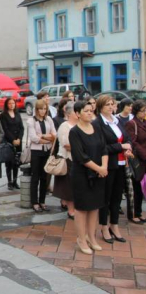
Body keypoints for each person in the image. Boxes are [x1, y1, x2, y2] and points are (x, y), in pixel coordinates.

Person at [69, 100, 108, 255]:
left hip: (99, 173)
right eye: (86, 111)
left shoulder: (97, 128)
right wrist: (99, 168)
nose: (90, 113)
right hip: (82, 175)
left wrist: (103, 167)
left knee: (95, 207)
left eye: (91, 110)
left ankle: (92, 238)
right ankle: (81, 239)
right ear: (78, 114)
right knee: (82, 208)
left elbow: (104, 148)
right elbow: (81, 157)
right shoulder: (74, 132)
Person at [93, 95, 132, 244]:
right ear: (101, 107)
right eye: (107, 104)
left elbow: (127, 138)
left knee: (117, 197)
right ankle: (103, 226)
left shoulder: (116, 121)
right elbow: (100, 147)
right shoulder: (98, 124)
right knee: (106, 198)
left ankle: (114, 225)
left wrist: (128, 148)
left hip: (122, 164)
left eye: (112, 104)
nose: (111, 107)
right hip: (108, 165)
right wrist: (120, 147)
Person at [28, 99, 56, 212]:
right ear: (36, 109)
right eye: (41, 109)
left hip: (47, 151)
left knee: (45, 177)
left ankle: (42, 201)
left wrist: (43, 136)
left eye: (45, 109)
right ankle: (34, 202)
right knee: (35, 177)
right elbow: (33, 137)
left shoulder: (49, 119)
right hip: (36, 152)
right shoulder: (31, 121)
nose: (43, 111)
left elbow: (54, 135)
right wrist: (46, 139)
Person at [52, 102, 77, 219]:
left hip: (79, 159)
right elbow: (66, 144)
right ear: (69, 113)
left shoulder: (80, 125)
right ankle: (71, 210)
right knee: (69, 186)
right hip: (68, 159)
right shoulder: (64, 126)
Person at [125, 100, 146, 224]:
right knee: (135, 188)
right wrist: (144, 154)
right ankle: (133, 213)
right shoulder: (131, 124)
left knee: (141, 188)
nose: (144, 113)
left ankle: (138, 212)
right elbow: (133, 142)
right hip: (137, 160)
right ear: (136, 111)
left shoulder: (143, 122)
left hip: (144, 160)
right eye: (142, 111)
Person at [0, 97, 24, 190]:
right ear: (6, 105)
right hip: (9, 141)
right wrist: (13, 139)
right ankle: (9, 182)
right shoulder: (3, 115)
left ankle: (15, 181)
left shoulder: (17, 114)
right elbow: (5, 129)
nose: (11, 105)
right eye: (9, 103)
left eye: (13, 103)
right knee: (9, 162)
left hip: (18, 141)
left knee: (16, 162)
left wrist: (19, 139)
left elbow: (22, 127)